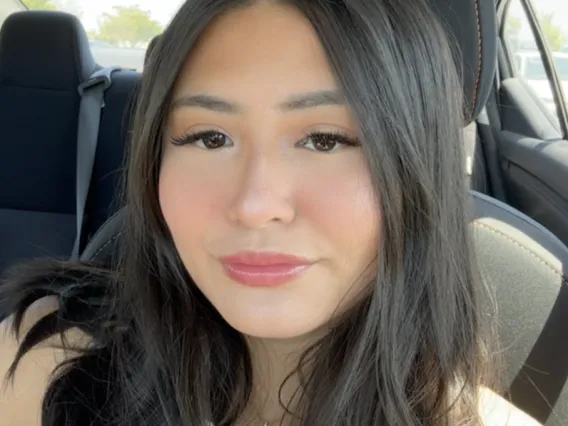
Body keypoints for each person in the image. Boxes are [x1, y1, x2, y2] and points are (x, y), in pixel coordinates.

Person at [0, 1, 543, 425]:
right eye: (209, 138)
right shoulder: (45, 365)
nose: (255, 206)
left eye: (326, 140)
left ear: (415, 172)